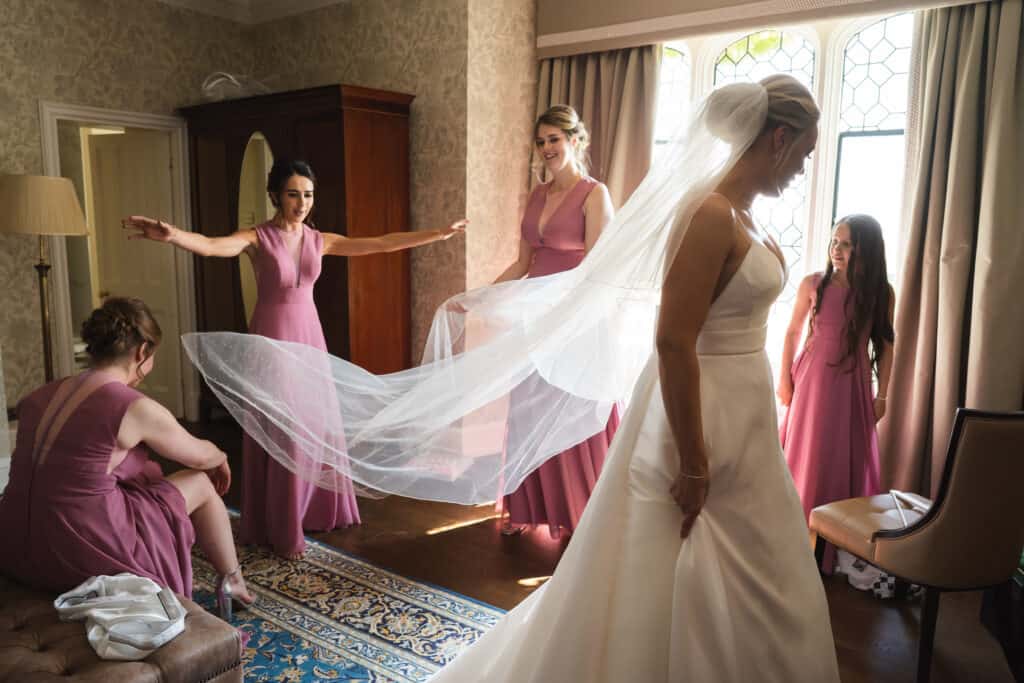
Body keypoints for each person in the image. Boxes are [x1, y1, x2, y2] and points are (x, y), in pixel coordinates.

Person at [426, 74, 840, 682]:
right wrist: (694, 459)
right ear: (778, 138)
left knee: (762, 557)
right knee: (671, 559)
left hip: (747, 416)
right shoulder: (708, 215)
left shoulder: (753, 219)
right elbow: (674, 340)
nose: (803, 169)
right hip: (702, 411)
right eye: (802, 154)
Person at [123, 159, 466, 559]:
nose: (302, 203)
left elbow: (381, 242)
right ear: (275, 196)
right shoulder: (257, 237)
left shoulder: (320, 239)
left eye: (308, 195)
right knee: (283, 427)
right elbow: (215, 246)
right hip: (272, 340)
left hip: (309, 338)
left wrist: (438, 234)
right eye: (293, 194)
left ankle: (320, 510)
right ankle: (282, 527)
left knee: (315, 425)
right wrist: (173, 236)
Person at [0, 297, 254, 618]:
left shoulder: (41, 395)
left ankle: (231, 582)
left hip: (13, 543)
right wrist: (219, 457)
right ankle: (233, 583)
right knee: (201, 484)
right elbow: (199, 456)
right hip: (74, 553)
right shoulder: (132, 407)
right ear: (142, 352)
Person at [494, 105, 618, 537]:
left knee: (565, 415)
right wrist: (481, 296)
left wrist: (565, 318)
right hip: (533, 320)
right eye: (542, 141)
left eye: (554, 140)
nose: (547, 149)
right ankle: (527, 509)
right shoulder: (536, 195)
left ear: (575, 141)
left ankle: (575, 512)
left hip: (574, 323)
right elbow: (524, 263)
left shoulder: (593, 194)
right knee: (528, 411)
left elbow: (596, 269)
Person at [778, 214, 895, 573]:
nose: (837, 250)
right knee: (808, 454)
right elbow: (792, 332)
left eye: (846, 244)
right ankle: (795, 540)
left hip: (853, 385)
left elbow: (887, 344)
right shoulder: (813, 284)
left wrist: (883, 396)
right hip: (811, 383)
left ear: (866, 249)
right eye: (834, 241)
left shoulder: (879, 294)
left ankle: (835, 545)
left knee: (844, 458)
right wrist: (784, 379)